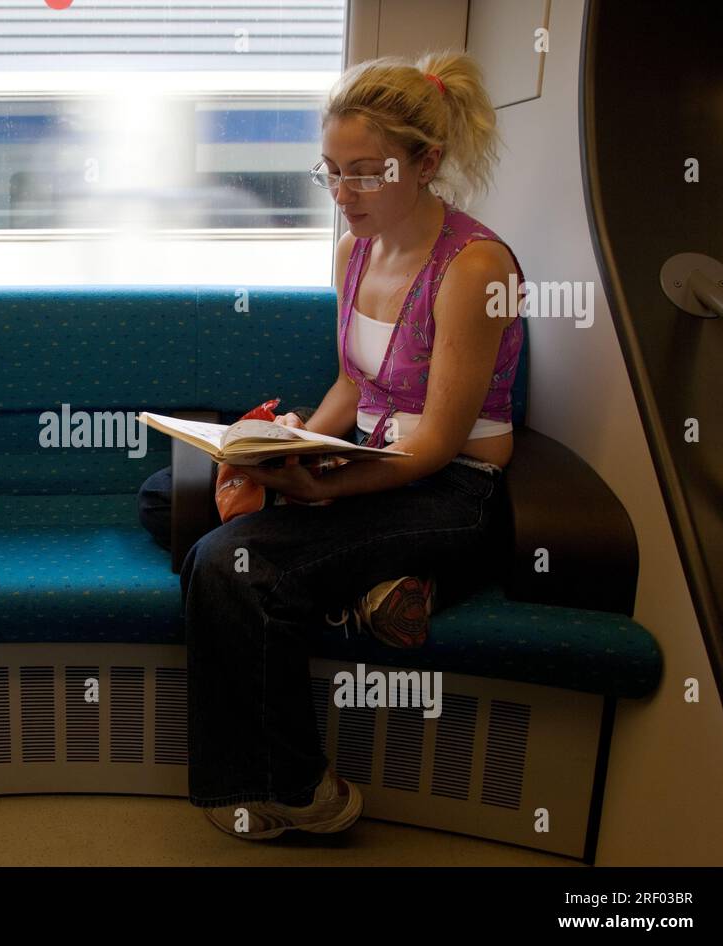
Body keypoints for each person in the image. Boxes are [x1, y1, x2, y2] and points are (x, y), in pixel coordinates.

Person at [136, 50, 525, 840]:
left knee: (226, 563)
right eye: (331, 174)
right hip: (374, 460)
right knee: (164, 497)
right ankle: (376, 590)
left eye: (366, 174)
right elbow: (354, 388)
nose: (345, 196)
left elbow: (439, 444)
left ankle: (295, 788)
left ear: (427, 163)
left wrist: (318, 490)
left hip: (450, 489)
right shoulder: (356, 250)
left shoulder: (475, 267)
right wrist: (277, 452)